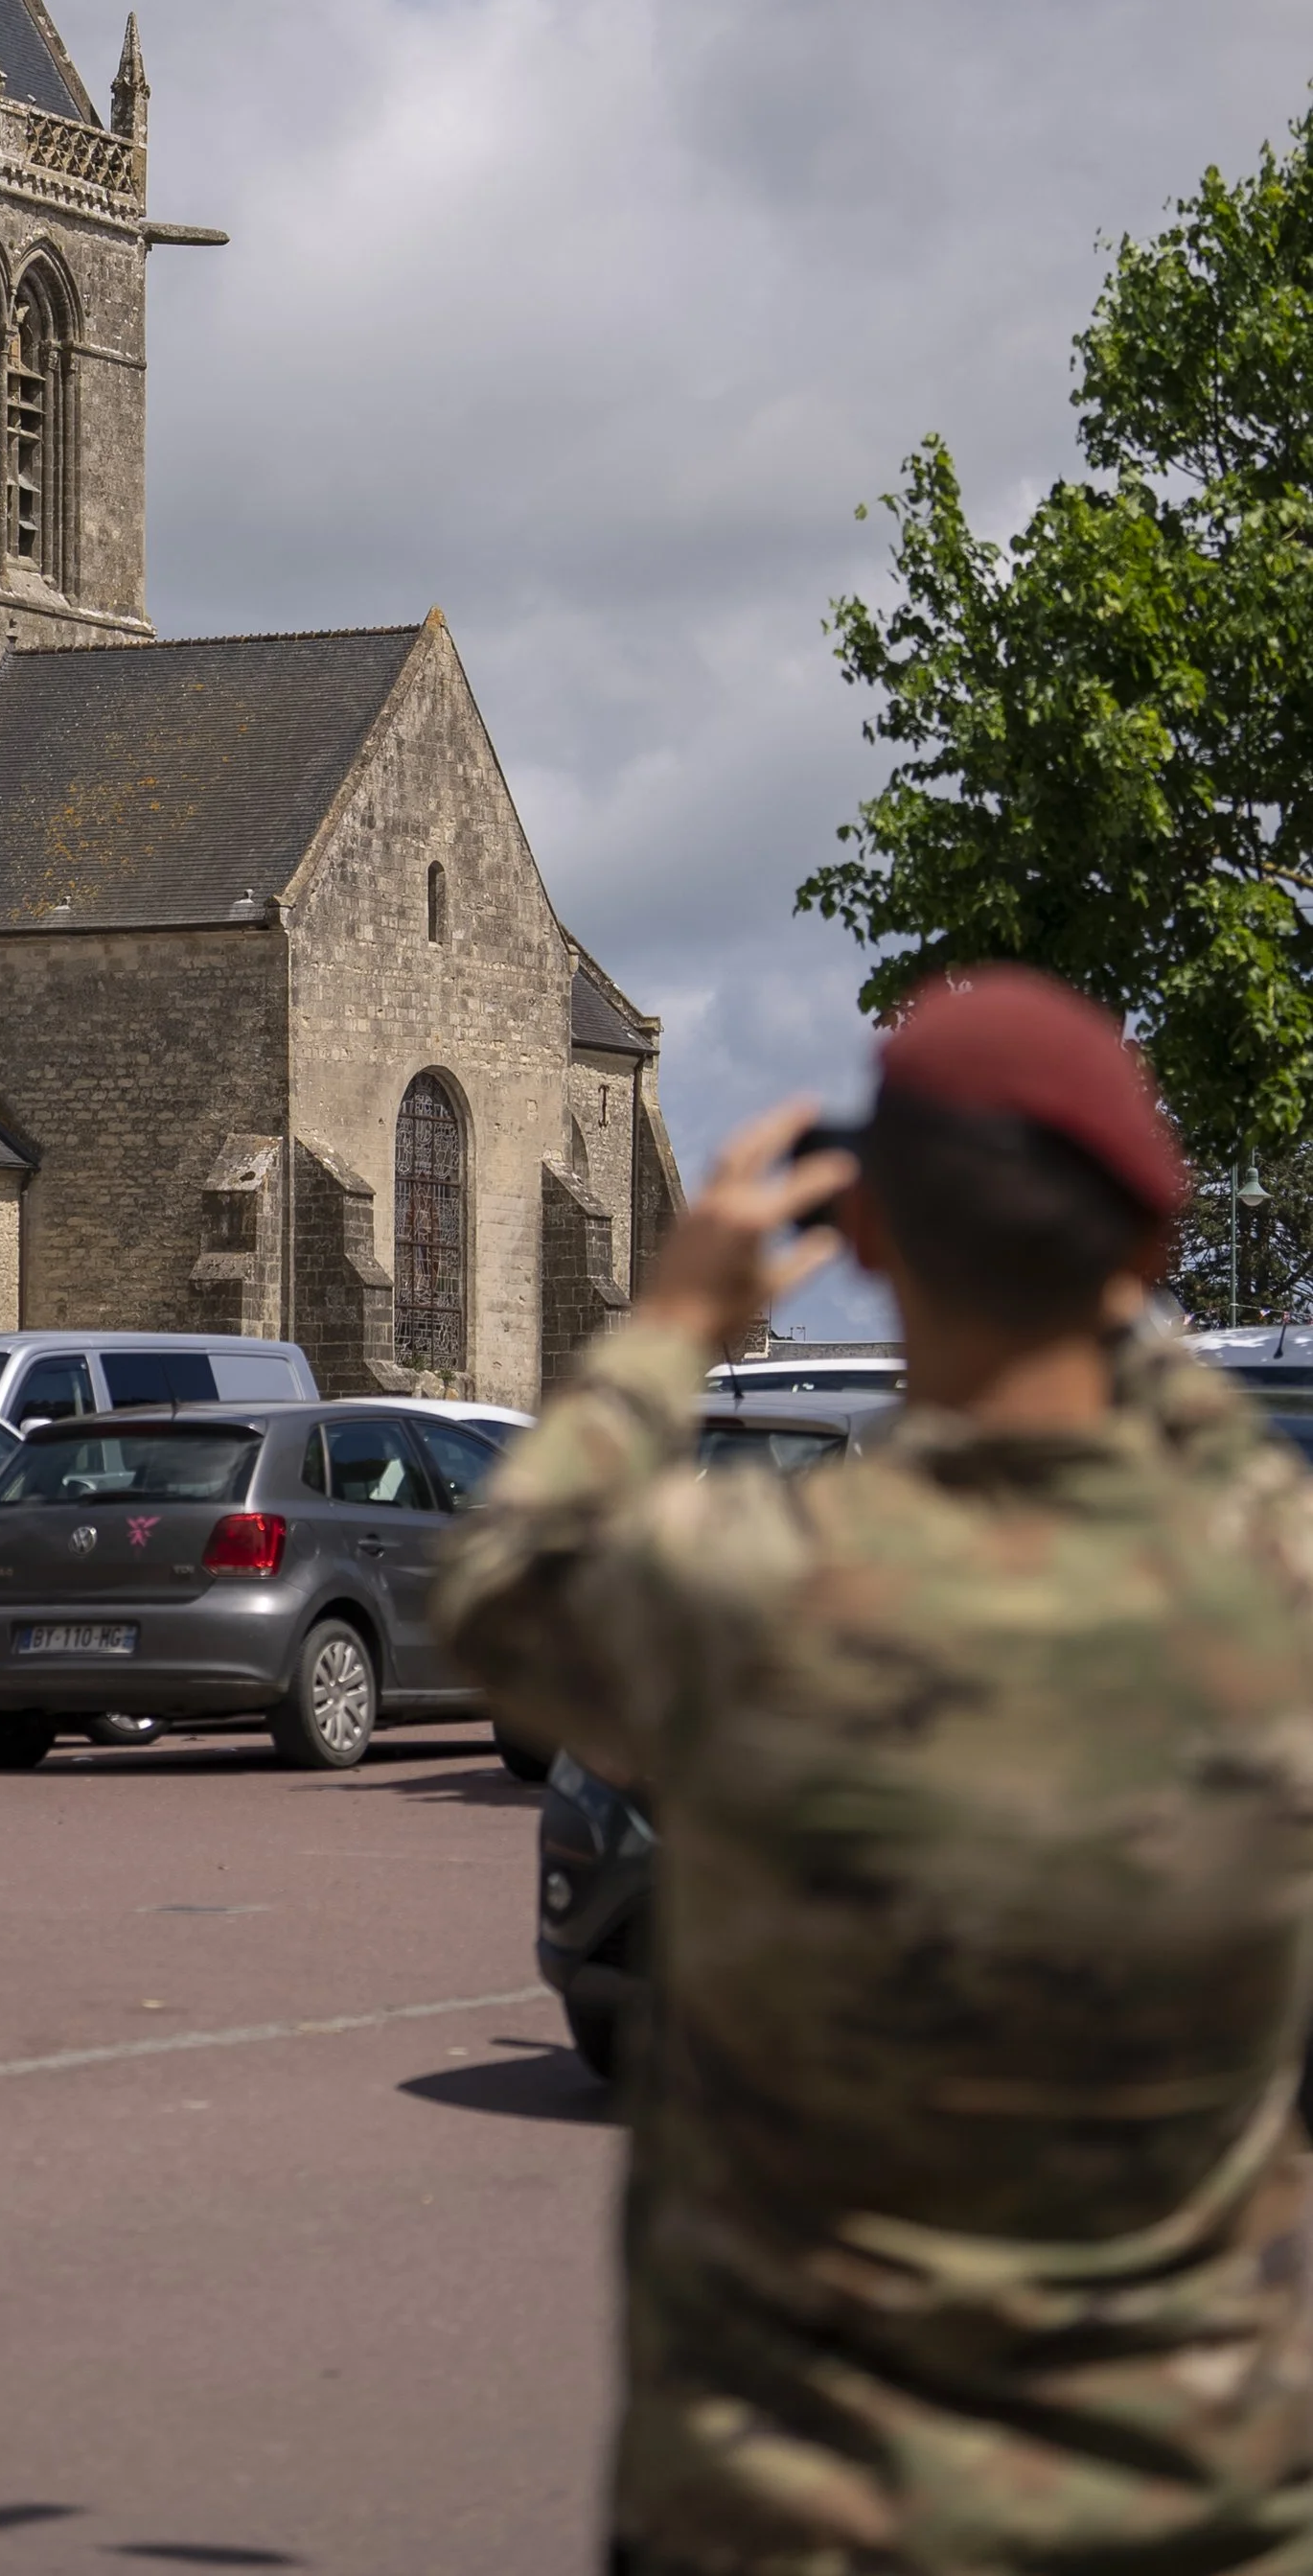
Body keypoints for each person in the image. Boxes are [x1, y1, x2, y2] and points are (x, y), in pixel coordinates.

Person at [436, 965, 1313, 2576]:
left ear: (873, 1233)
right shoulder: (1275, 1594)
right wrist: (1130, 1290)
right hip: (1187, 2514)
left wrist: (675, 1325)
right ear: (1147, 1251)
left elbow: (504, 1576)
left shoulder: (752, 1593)